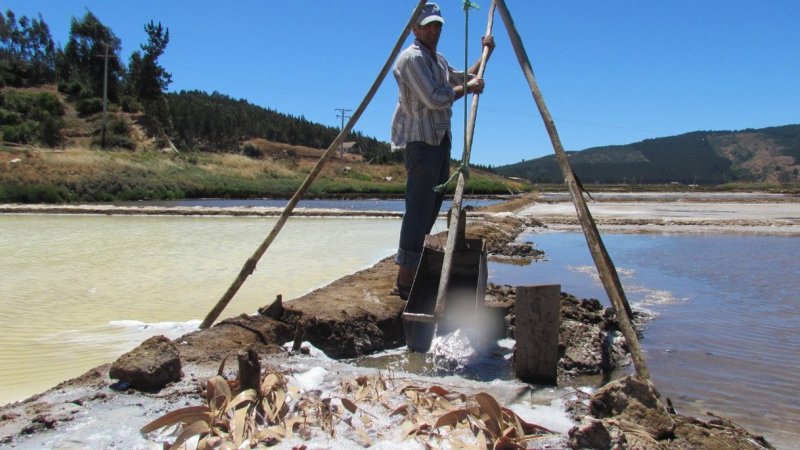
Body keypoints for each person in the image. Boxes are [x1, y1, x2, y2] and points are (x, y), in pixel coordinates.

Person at [390, 2, 495, 299]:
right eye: (428, 26)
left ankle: (413, 271)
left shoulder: (436, 59)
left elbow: (462, 78)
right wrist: (471, 88)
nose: (434, 30)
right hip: (422, 143)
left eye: (437, 25)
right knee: (418, 211)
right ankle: (404, 279)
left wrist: (486, 54)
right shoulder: (411, 59)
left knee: (430, 210)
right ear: (415, 29)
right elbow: (436, 98)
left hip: (439, 141)